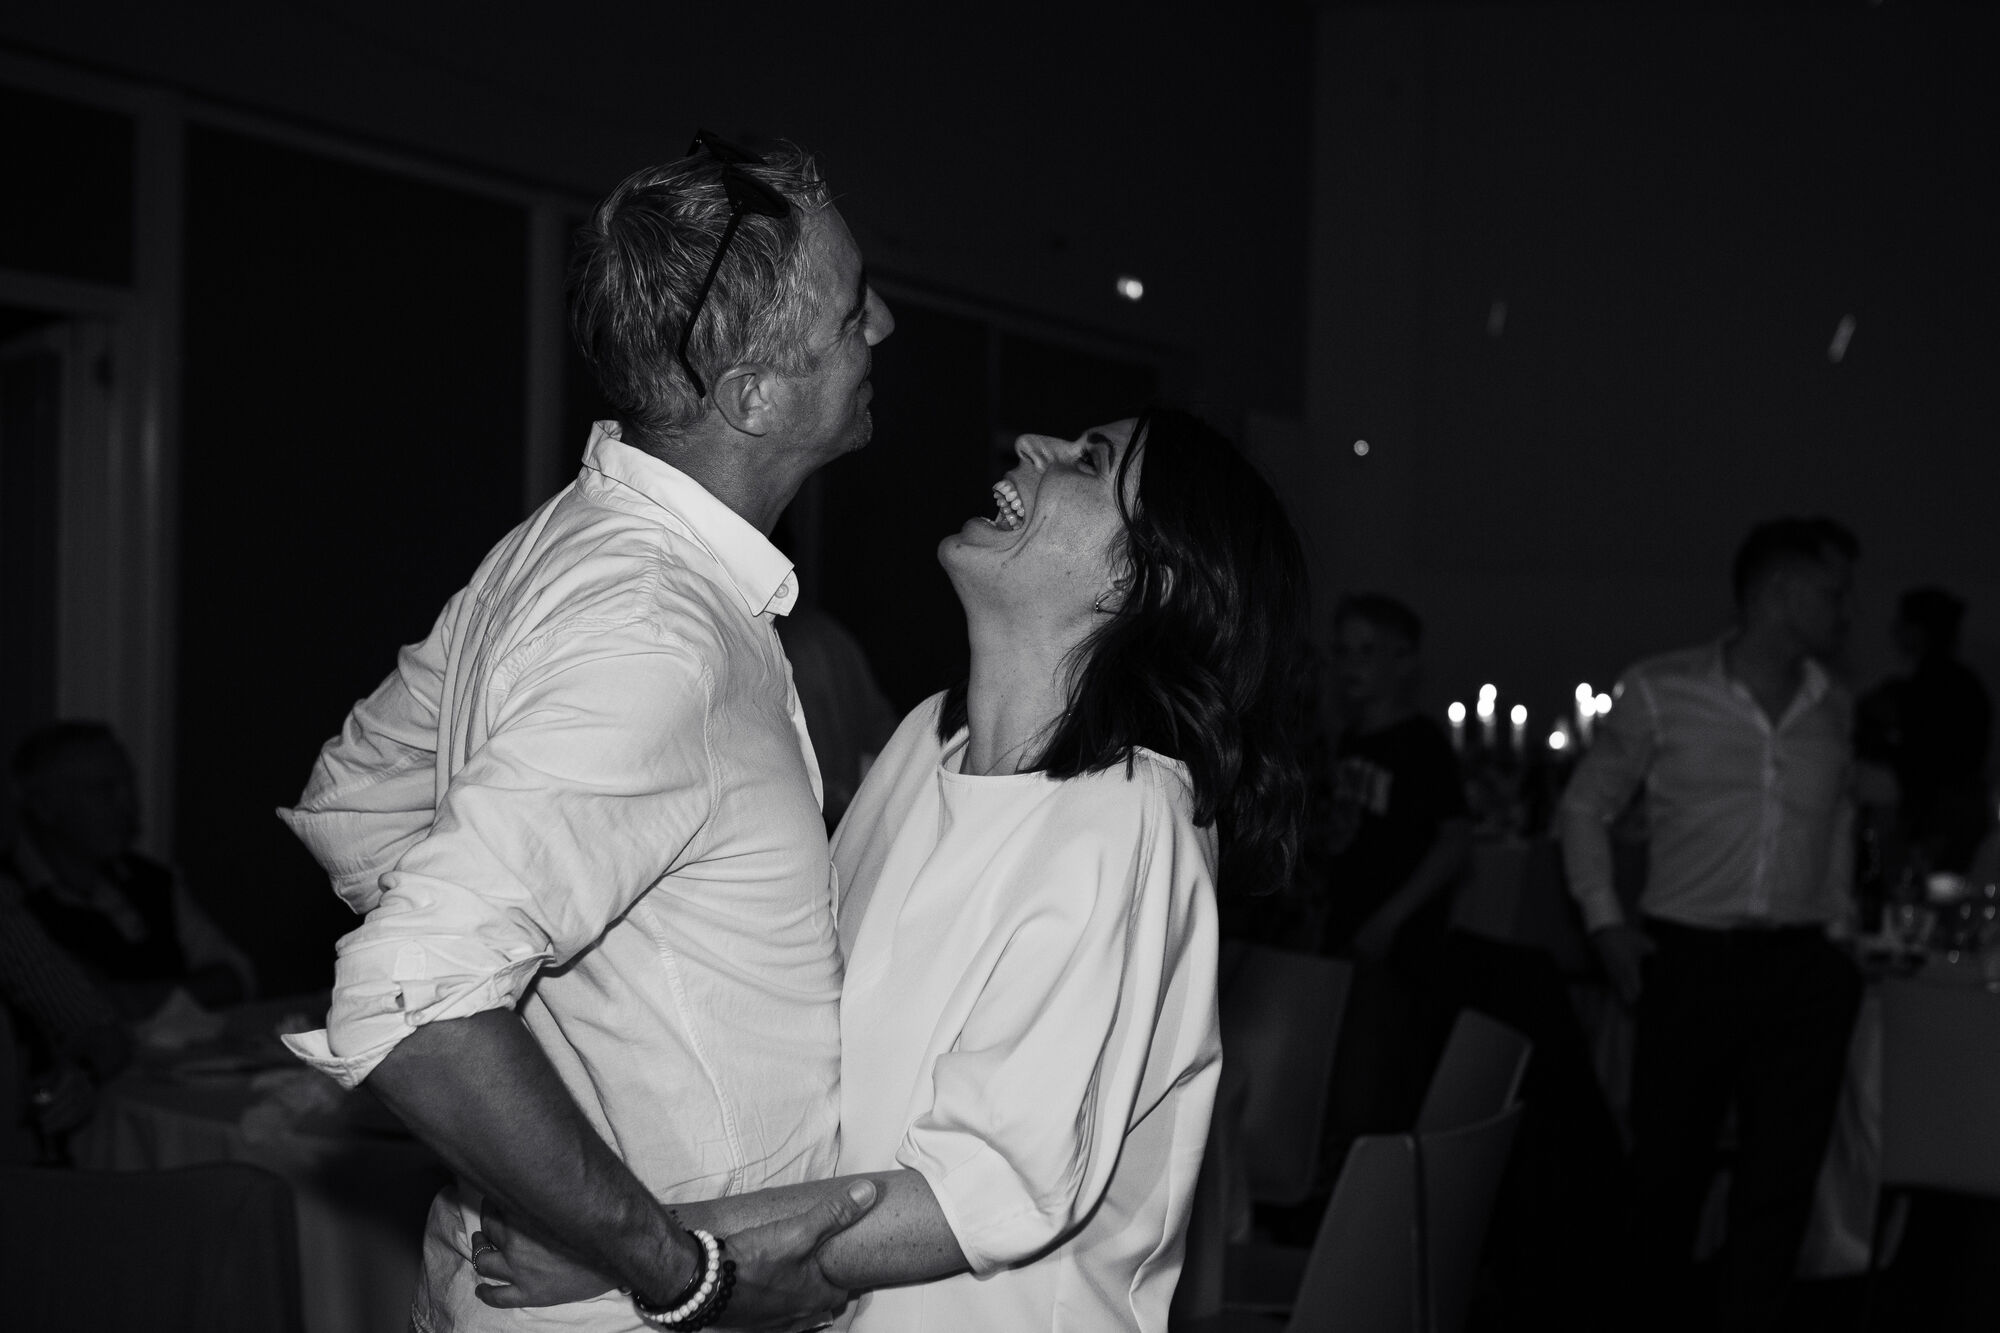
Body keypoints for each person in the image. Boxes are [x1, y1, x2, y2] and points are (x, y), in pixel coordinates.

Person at [472, 408, 1313, 1332]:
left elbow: (973, 1193)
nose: (1033, 444)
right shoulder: (926, 739)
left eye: (1089, 462)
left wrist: (621, 1246)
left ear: (1138, 580)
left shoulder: (1128, 815)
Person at [278, 133, 896, 1332]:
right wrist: (673, 1265)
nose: (882, 328)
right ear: (752, 395)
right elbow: (412, 998)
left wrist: (563, 1005)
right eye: (850, 312)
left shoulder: (572, 540)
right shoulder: (654, 632)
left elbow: (360, 794)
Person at [1560, 516, 1865, 1333]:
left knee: (1781, 1183)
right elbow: (1584, 806)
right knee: (1667, 1175)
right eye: (1834, 592)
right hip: (1691, 960)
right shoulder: (1661, 689)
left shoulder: (1832, 703)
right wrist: (1605, 923)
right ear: (1781, 592)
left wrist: (1839, 926)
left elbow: (1836, 821)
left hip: (1803, 967)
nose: (1847, 611)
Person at [1316, 594, 1471, 1146]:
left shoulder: (1421, 745)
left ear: (1403, 660)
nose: (1350, 666)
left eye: (1367, 651)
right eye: (1342, 652)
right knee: (1338, 1075)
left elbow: (1454, 841)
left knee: (1372, 1085)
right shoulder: (1352, 738)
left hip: (1396, 948)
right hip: (1349, 931)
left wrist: (1390, 918)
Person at [1855, 585, 1993, 873]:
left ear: (1918, 631)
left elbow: (1925, 759)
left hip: (1939, 819)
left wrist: (1880, 742)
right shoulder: (1962, 685)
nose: (1895, 632)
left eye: (1902, 624)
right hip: (1955, 815)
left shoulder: (1927, 688)